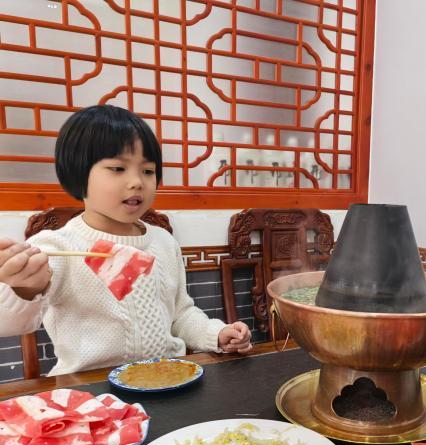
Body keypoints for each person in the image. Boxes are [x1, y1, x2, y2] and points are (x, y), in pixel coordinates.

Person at [0, 105, 252, 376]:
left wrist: (217, 334)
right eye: (118, 168)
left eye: (148, 171)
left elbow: (181, 315)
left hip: (165, 379)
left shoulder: (163, 242)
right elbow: (10, 324)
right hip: (90, 388)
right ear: (78, 173)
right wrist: (25, 288)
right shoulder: (55, 247)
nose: (137, 182)